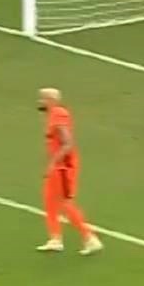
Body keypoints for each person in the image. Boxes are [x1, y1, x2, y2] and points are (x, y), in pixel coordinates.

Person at [36, 87, 101, 254]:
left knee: (65, 204)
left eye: (42, 99)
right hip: (58, 166)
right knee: (49, 200)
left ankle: (90, 238)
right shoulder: (52, 115)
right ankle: (55, 239)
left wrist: (53, 163)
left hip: (63, 167)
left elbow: (67, 143)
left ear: (51, 100)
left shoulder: (58, 114)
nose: (39, 102)